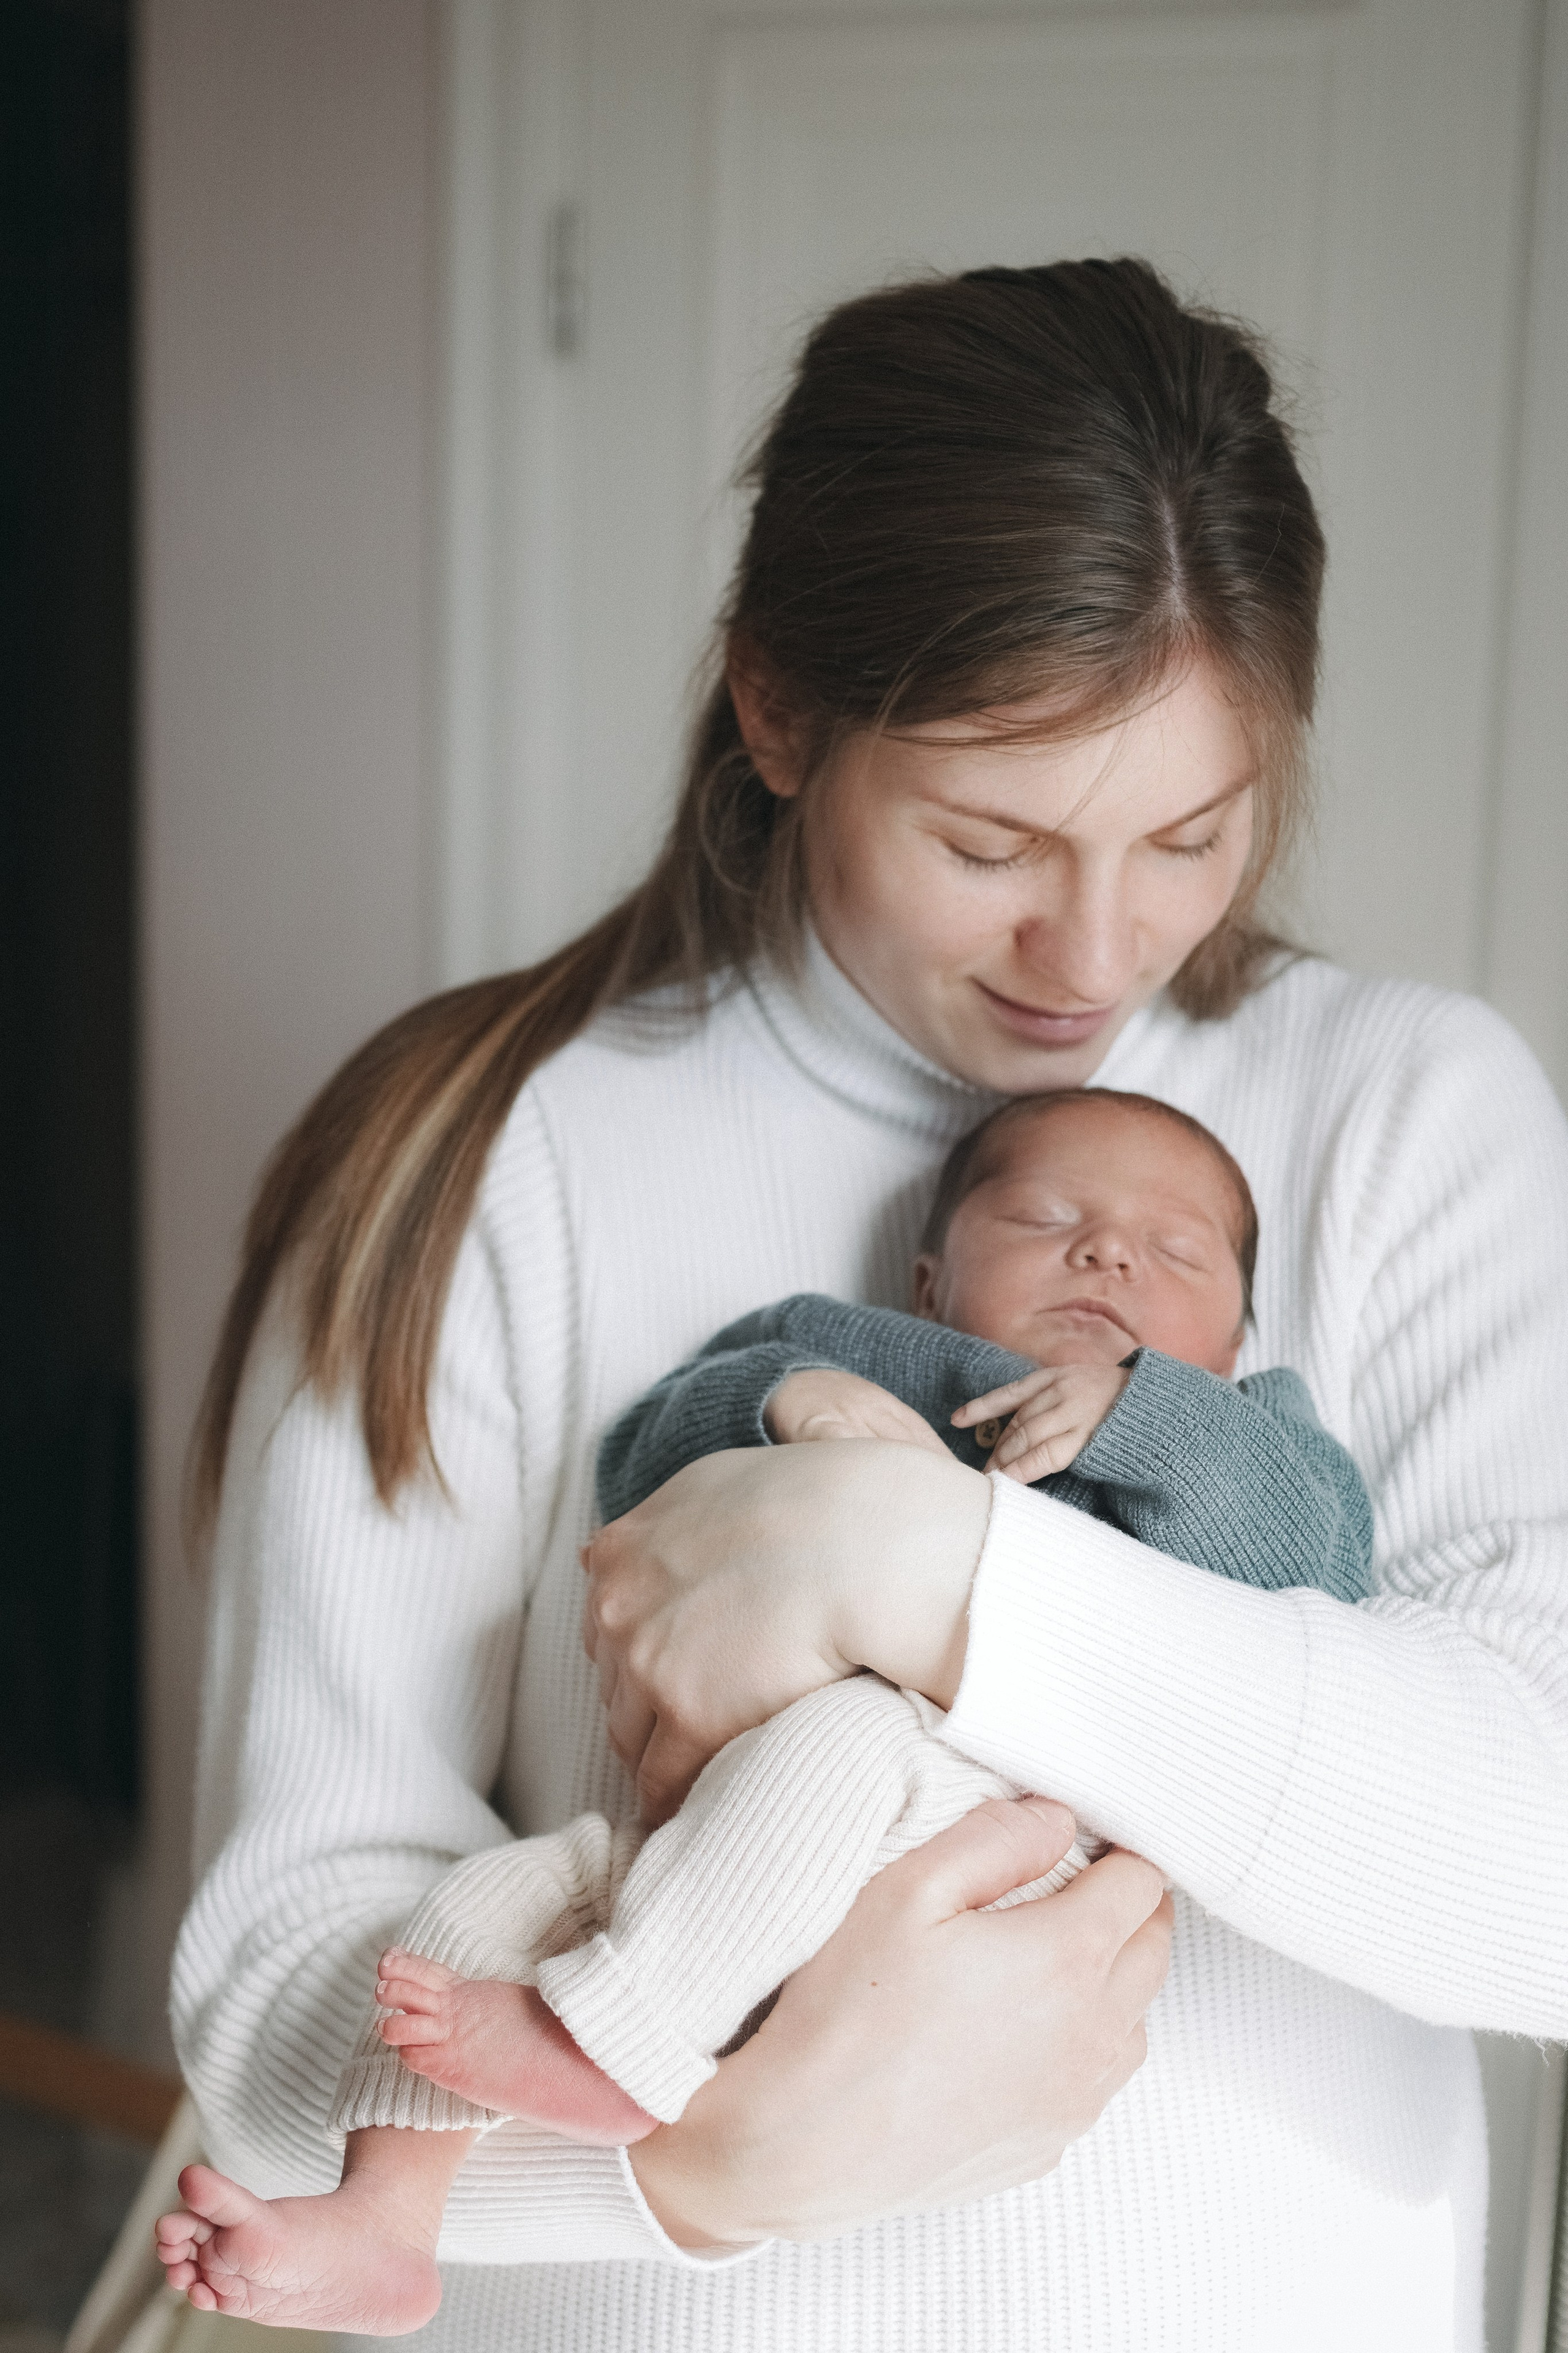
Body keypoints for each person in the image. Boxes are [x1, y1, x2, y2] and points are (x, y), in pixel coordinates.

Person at [167, 259, 1568, 2353]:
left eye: (1192, 833)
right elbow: (282, 2007)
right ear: (777, 710)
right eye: (991, 836)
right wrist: (703, 2180)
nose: (1094, 950)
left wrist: (940, 1569)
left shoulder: (1401, 1115)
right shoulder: (490, 1157)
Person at [154, 1084, 1375, 2330]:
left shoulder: (1245, 1431)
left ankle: (604, 2049)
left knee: (843, 1737)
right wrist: (784, 1400)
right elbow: (646, 1445)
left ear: (1234, 1340)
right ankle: (387, 2215)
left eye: (1176, 1250)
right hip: (712, 1849)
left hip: (980, 1826)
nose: (1106, 1249)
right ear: (926, 1277)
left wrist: (1150, 1415)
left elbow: (1318, 1565)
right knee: (492, 1902)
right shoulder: (855, 1346)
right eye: (1042, 1215)